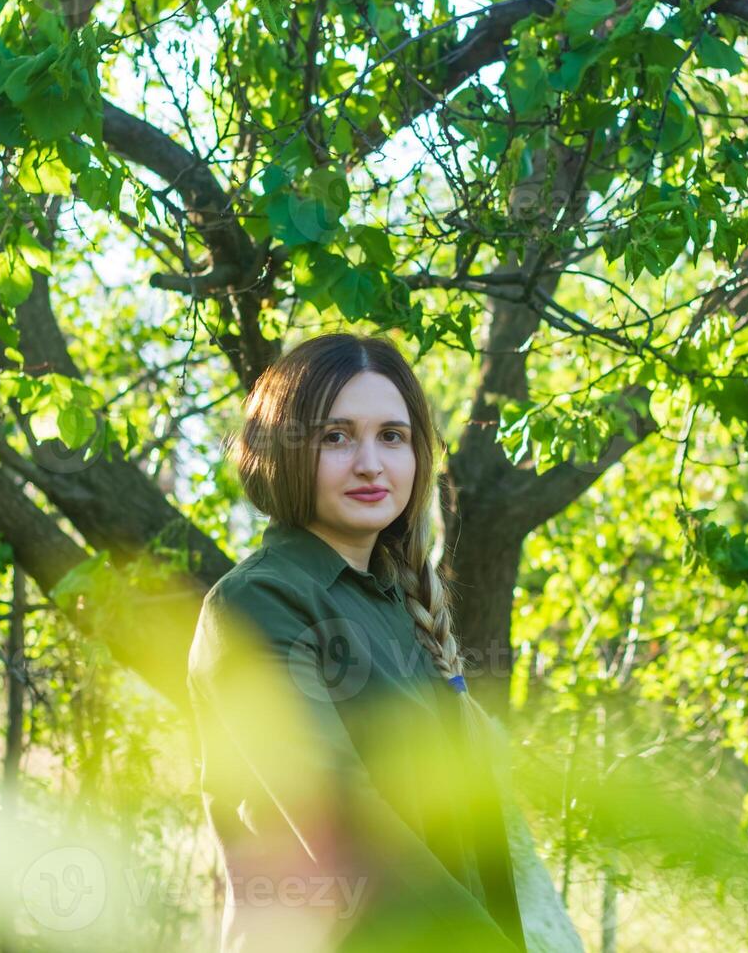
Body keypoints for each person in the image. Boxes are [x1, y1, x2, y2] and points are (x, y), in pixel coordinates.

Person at [186, 332, 528, 953]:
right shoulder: (258, 602)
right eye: (336, 437)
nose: (370, 463)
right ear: (281, 452)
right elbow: (345, 824)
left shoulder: (400, 606)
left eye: (392, 437)